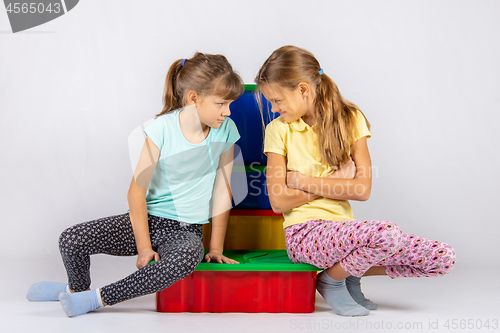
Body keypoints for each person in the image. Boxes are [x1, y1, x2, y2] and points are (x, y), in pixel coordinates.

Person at [27, 52, 243, 317]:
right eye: (221, 103)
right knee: (71, 239)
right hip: (145, 221)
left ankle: (98, 298)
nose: (228, 111)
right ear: (194, 98)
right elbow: (136, 192)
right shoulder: (162, 129)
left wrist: (215, 249)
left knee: (187, 258)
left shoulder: (226, 130)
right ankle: (75, 290)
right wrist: (144, 248)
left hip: (184, 231)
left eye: (230, 103)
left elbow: (222, 192)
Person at [256, 45, 456, 317]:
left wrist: (302, 180)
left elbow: (362, 190)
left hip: (348, 234)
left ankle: (347, 271)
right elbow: (278, 201)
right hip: (304, 233)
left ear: (303, 90)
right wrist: (335, 182)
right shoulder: (278, 130)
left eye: (277, 100)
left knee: (442, 258)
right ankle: (333, 279)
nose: (274, 108)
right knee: (387, 234)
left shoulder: (350, 119)